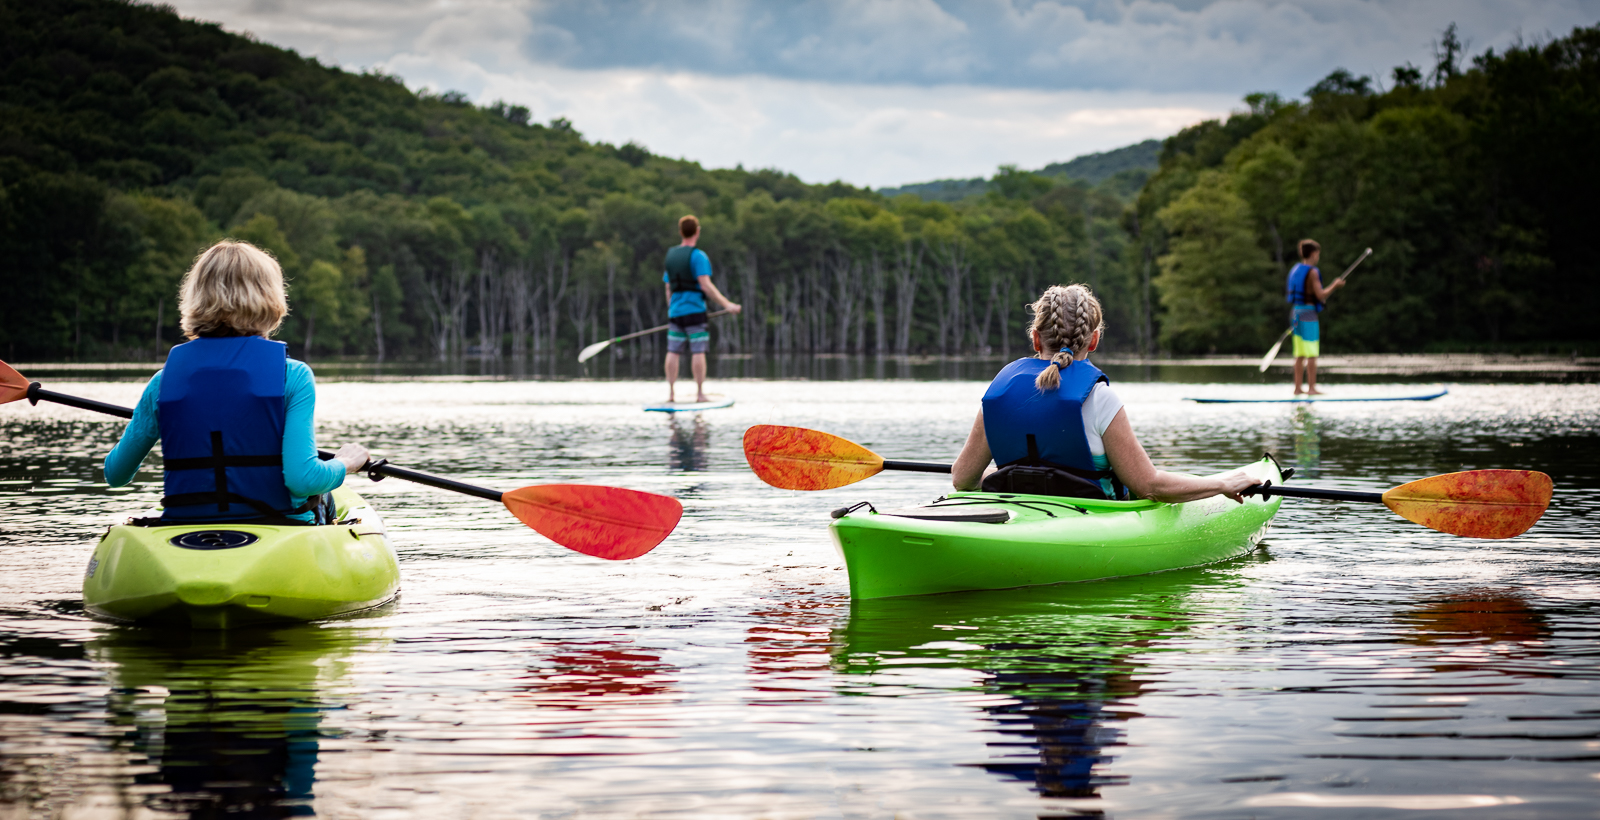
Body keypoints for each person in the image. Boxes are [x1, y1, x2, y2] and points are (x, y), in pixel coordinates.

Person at [103, 240, 369, 524]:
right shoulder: (293, 376)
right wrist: (346, 462)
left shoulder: (163, 382)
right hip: (278, 525)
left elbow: (116, 474)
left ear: (194, 298)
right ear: (270, 298)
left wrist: (149, 419)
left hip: (185, 529)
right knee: (325, 494)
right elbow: (303, 480)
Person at [952, 284, 1258, 503]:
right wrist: (1221, 484)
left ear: (1035, 338)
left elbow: (962, 479)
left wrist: (1003, 475)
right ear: (1094, 340)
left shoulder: (1001, 388)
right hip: (1092, 520)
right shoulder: (1098, 398)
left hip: (1016, 512)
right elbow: (1148, 484)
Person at [662, 215, 740, 403]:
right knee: (698, 351)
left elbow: (668, 287)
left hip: (675, 312)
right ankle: (699, 394)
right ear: (697, 231)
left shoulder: (671, 256)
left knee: (673, 351)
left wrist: (671, 309)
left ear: (681, 232)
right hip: (695, 311)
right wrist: (727, 305)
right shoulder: (698, 256)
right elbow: (705, 285)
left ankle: (671, 394)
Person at [1285, 239, 1345, 395]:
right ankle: (1311, 388)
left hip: (1295, 313)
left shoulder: (1296, 269)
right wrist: (1335, 285)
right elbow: (1320, 295)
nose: (1318, 256)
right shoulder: (1312, 271)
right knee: (1312, 352)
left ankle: (1298, 388)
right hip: (1308, 314)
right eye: (1318, 253)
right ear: (1313, 253)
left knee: (1299, 353)